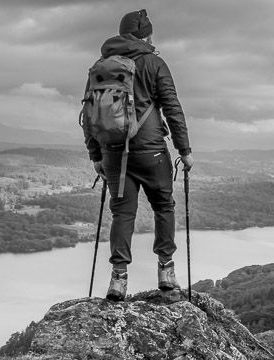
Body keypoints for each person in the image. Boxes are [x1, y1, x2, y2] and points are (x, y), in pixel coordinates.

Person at [83, 9, 194, 301]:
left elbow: (90, 113)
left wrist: (96, 155)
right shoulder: (154, 63)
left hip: (113, 153)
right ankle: (166, 273)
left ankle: (118, 280)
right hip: (151, 150)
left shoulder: (101, 66)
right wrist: (185, 150)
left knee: (122, 214)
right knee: (163, 207)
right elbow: (172, 107)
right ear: (145, 34)